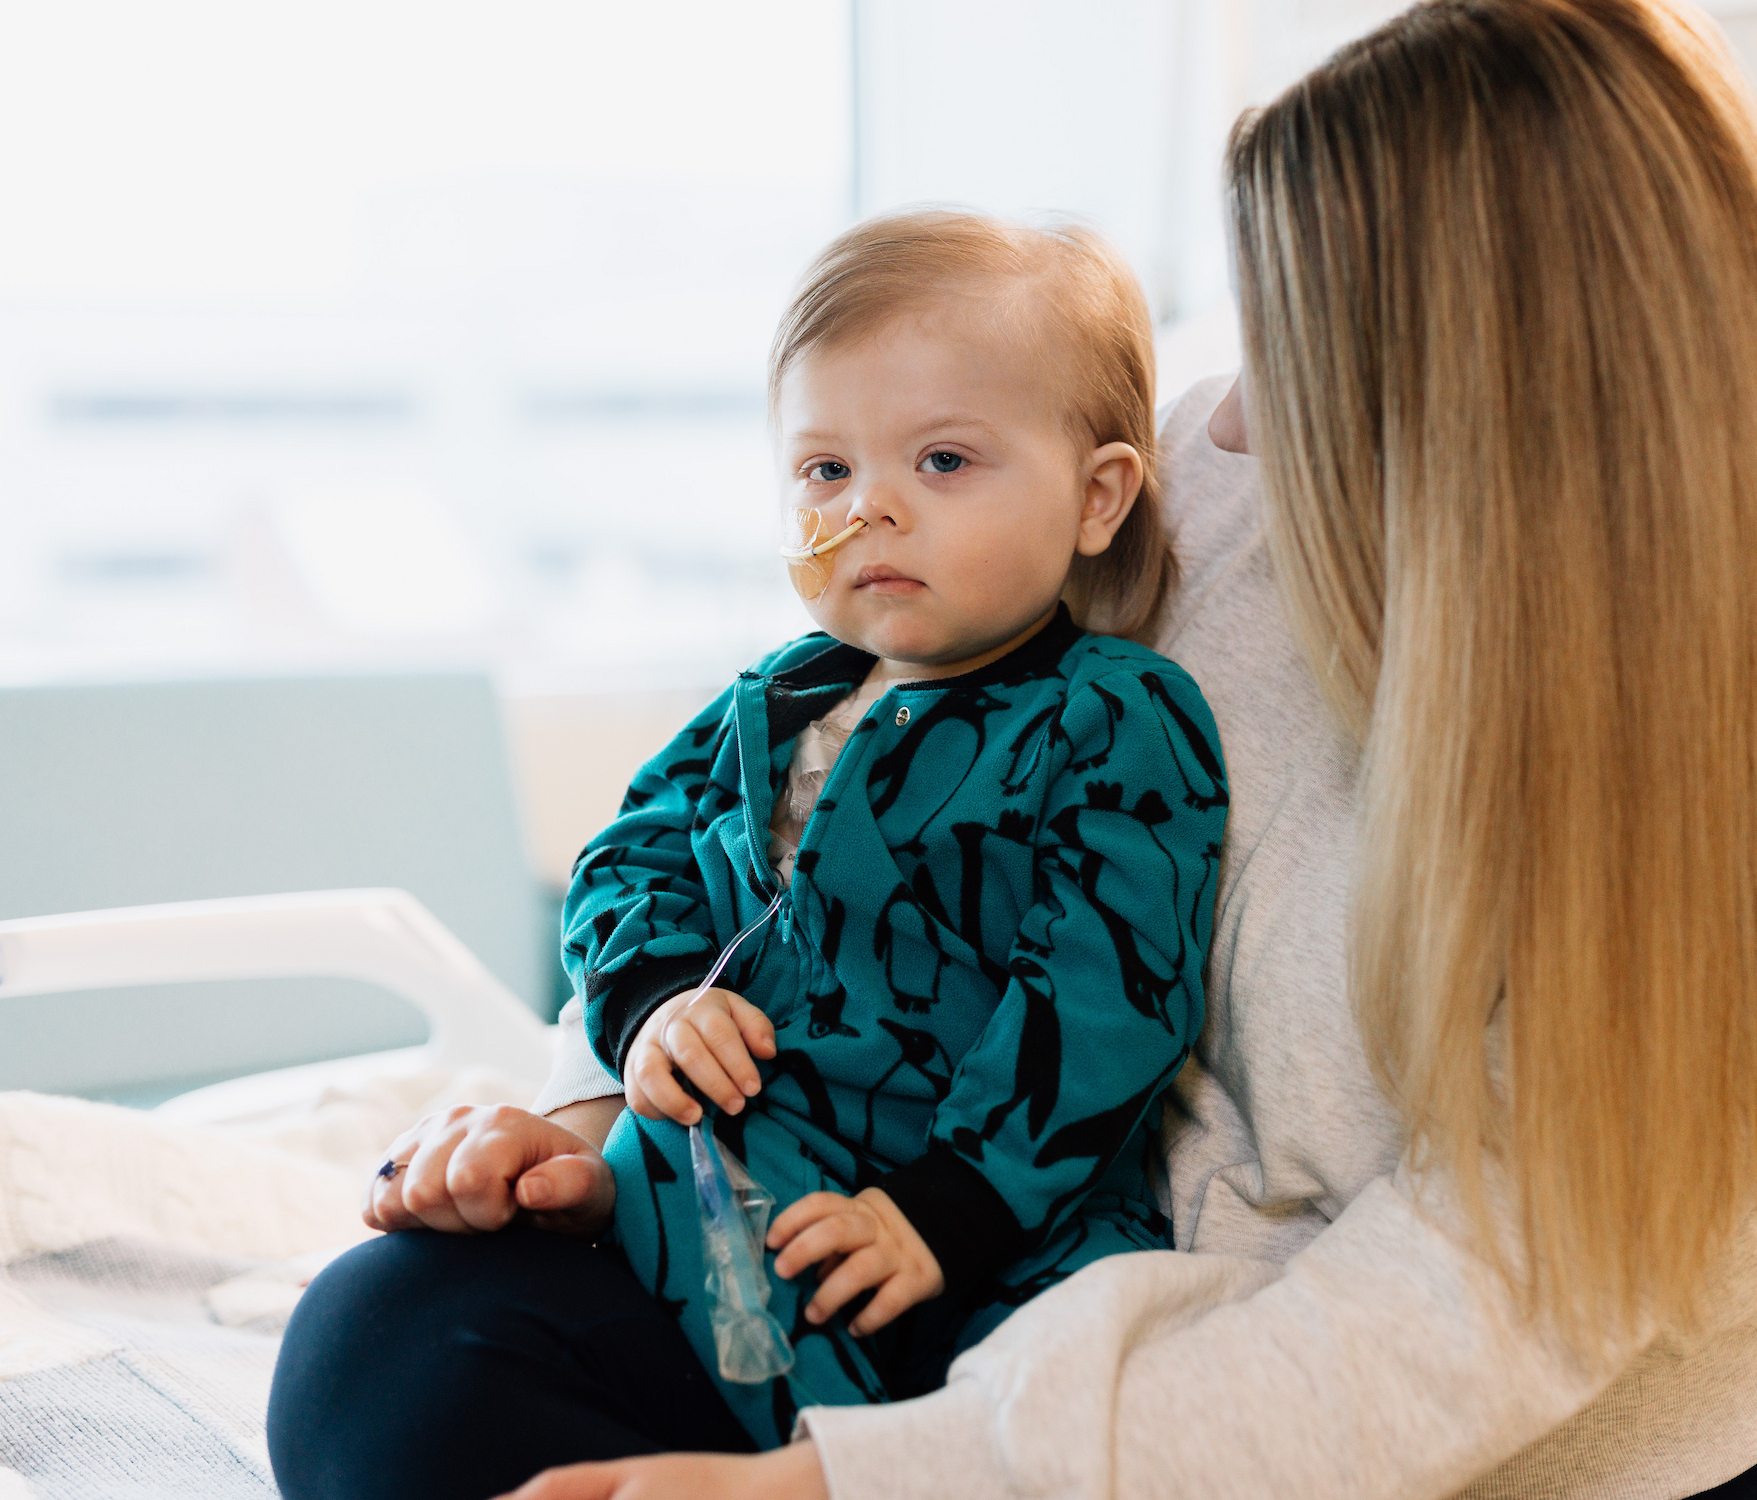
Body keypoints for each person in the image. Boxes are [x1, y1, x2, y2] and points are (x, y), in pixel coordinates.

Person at [271, 3, 1757, 1497]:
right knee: (399, 1348)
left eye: (1289, 346)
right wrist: (621, 1115)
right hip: (1015, 1282)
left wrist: (856, 1481)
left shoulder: (1699, 853)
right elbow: (835, 849)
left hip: (1414, 1444)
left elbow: (1404, 1358)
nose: (1212, 420)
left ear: (1476, 414)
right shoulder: (1190, 494)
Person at [269, 211, 1228, 1488]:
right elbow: (629, 861)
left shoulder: (1110, 715)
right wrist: (657, 1006)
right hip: (700, 1205)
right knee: (371, 1335)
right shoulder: (771, 702)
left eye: (944, 460)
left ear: (1097, 497)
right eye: (825, 469)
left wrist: (946, 1211)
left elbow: (1110, 999)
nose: (870, 507)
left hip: (963, 1250)